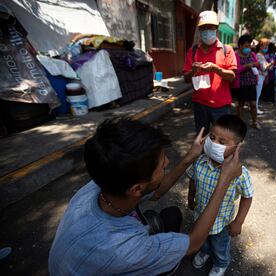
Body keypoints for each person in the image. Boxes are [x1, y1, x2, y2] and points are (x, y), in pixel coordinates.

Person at [49, 117, 243, 275]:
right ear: (136, 189)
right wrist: (224, 180)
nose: (167, 161)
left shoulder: (102, 182)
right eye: (162, 165)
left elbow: (156, 191)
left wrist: (189, 157)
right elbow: (193, 242)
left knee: (171, 215)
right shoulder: (125, 249)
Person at [187, 115, 253, 276]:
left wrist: (238, 221)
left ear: (238, 147)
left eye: (222, 142)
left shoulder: (239, 173)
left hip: (221, 222)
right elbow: (193, 180)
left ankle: (221, 263)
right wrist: (190, 197)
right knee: (203, 239)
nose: (214, 143)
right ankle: (205, 252)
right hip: (200, 213)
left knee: (220, 245)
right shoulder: (200, 161)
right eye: (212, 137)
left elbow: (247, 196)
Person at [183, 11, 237, 135]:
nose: (207, 31)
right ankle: (202, 155)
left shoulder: (226, 50)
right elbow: (186, 79)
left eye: (210, 27)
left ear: (216, 29)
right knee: (201, 138)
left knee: (221, 139)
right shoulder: (193, 51)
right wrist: (192, 71)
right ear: (199, 30)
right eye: (203, 28)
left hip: (221, 106)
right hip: (199, 105)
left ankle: (218, 155)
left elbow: (232, 76)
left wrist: (215, 69)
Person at [233, 34, 260, 129]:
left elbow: (258, 65)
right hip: (241, 83)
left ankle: (255, 122)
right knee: (241, 104)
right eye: (246, 46)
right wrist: (245, 66)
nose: (248, 48)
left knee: (253, 104)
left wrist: (255, 64)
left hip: (251, 82)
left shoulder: (252, 54)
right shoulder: (235, 55)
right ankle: (241, 123)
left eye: (249, 46)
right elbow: (234, 70)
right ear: (240, 45)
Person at [255, 38, 273, 114]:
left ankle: (254, 107)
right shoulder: (259, 55)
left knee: (257, 93)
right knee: (257, 94)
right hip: (259, 77)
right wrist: (271, 63)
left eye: (267, 46)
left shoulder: (262, 55)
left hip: (261, 77)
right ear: (260, 46)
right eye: (265, 46)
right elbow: (264, 68)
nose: (266, 48)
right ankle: (255, 108)